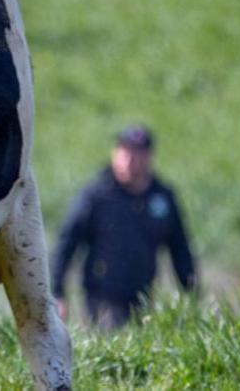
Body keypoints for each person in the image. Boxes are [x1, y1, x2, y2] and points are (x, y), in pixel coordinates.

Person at [51, 124, 197, 329]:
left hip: (143, 296)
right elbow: (66, 243)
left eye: (136, 153)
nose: (129, 160)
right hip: (102, 297)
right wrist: (57, 292)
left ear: (149, 156)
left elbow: (180, 249)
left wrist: (191, 295)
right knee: (112, 337)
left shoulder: (162, 197)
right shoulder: (97, 194)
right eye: (124, 151)